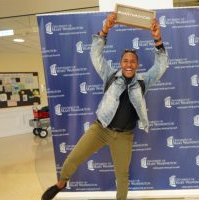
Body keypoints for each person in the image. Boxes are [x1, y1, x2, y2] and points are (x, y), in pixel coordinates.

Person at [41, 12, 168, 200]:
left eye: (133, 61)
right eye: (125, 61)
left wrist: (157, 39)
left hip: (124, 136)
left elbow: (161, 66)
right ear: (120, 63)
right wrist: (105, 30)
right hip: (101, 128)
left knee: (122, 175)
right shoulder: (110, 75)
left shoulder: (143, 81)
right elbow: (95, 54)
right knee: (73, 158)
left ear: (137, 64)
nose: (129, 64)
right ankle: (61, 182)